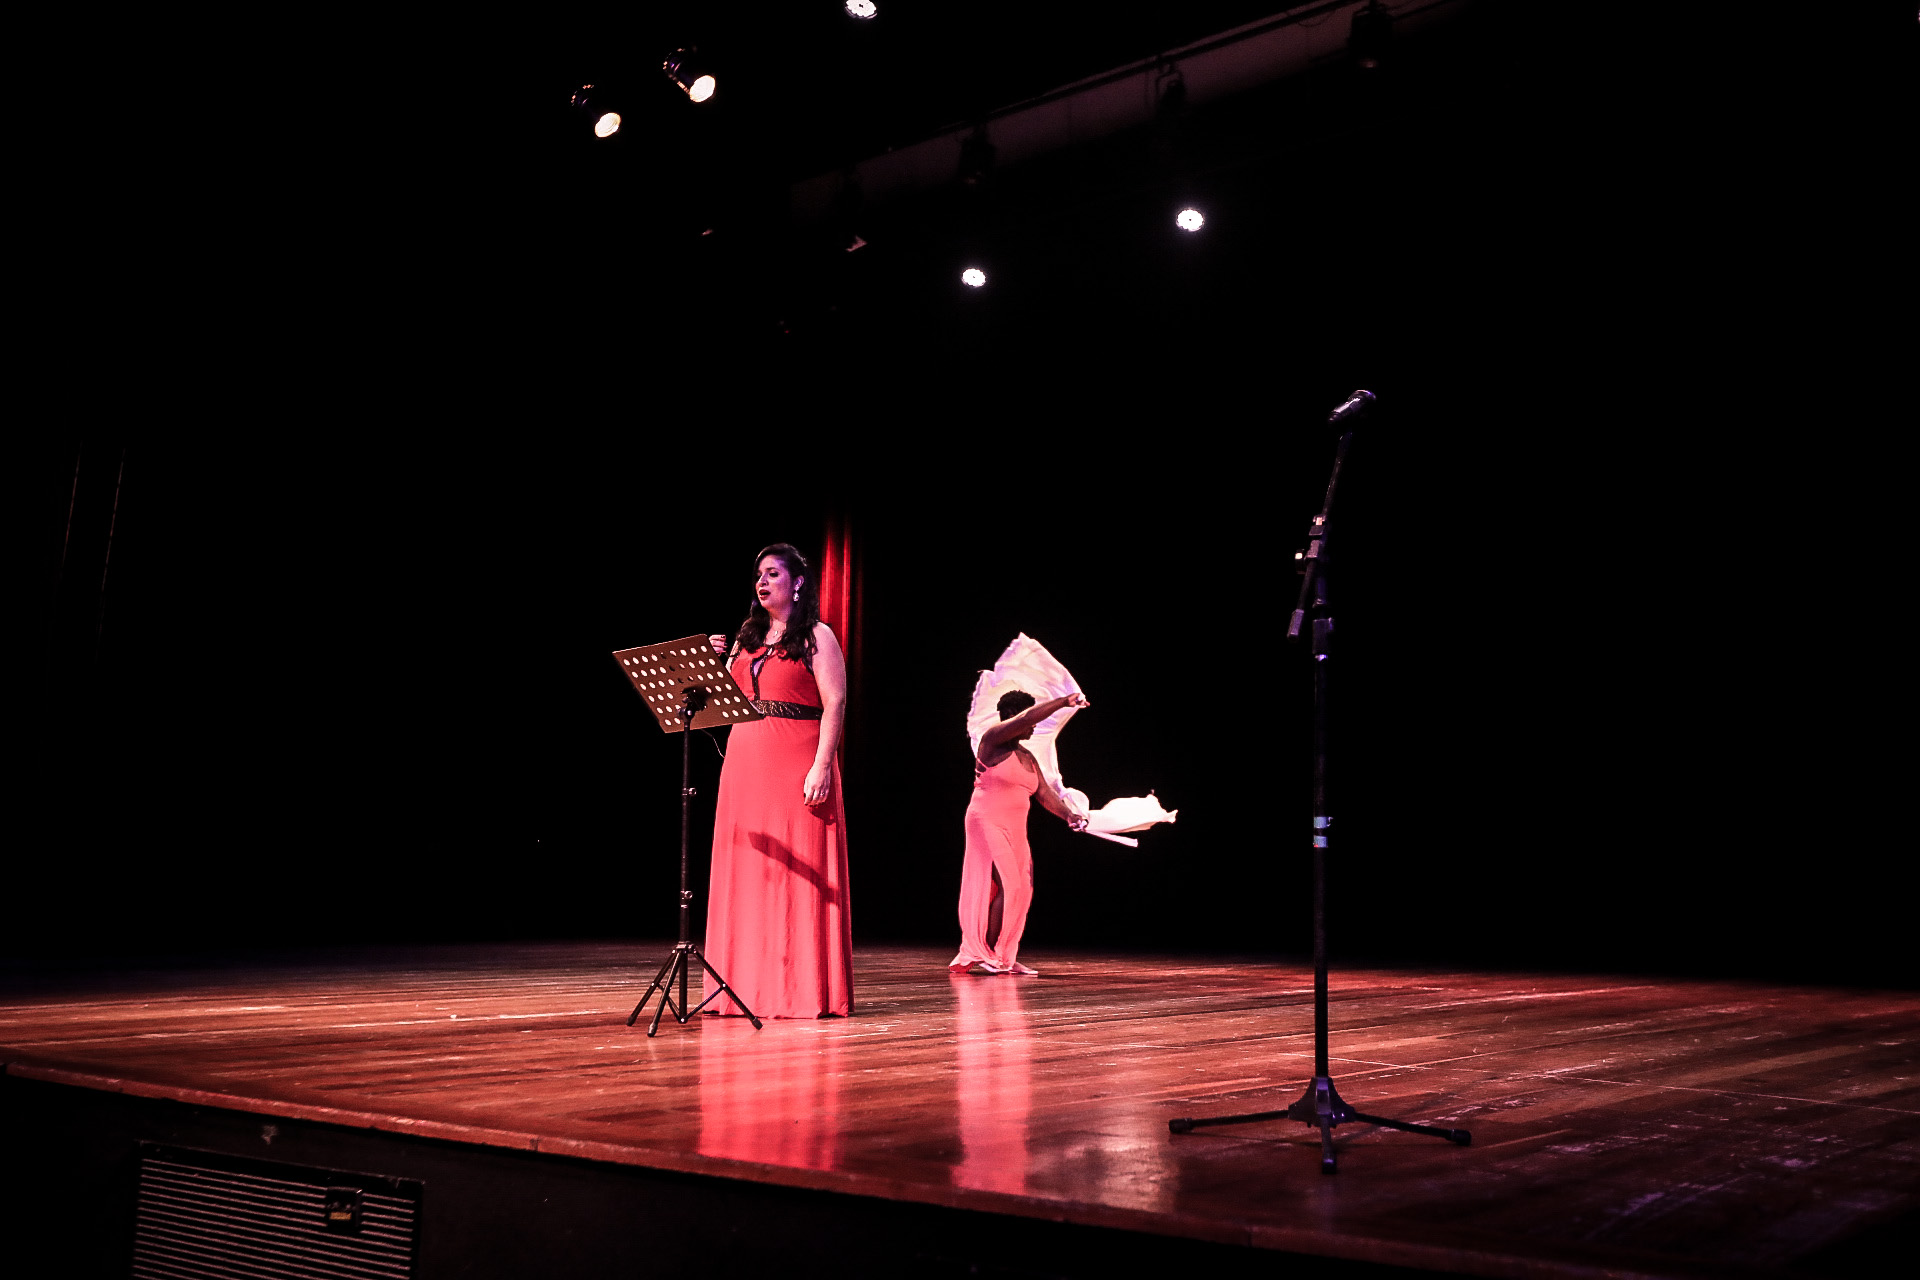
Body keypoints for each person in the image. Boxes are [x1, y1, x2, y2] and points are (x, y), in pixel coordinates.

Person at [701, 543, 852, 1018]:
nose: (762, 582)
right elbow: (718, 708)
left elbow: (835, 702)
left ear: (797, 582)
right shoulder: (747, 638)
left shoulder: (817, 635)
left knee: (796, 869)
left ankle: (798, 989)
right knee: (748, 869)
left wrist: (822, 764)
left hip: (796, 757)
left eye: (772, 574)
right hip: (744, 761)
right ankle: (741, 986)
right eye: (758, 576)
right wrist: (712, 666)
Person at [950, 688, 1089, 976]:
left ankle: (1005, 955)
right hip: (986, 820)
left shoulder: (1027, 756)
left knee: (1022, 890)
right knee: (1009, 885)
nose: (1035, 726)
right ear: (1014, 716)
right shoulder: (992, 740)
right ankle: (988, 954)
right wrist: (1064, 702)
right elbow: (1027, 718)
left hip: (1015, 828)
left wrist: (1069, 815)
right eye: (1032, 719)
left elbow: (1044, 793)